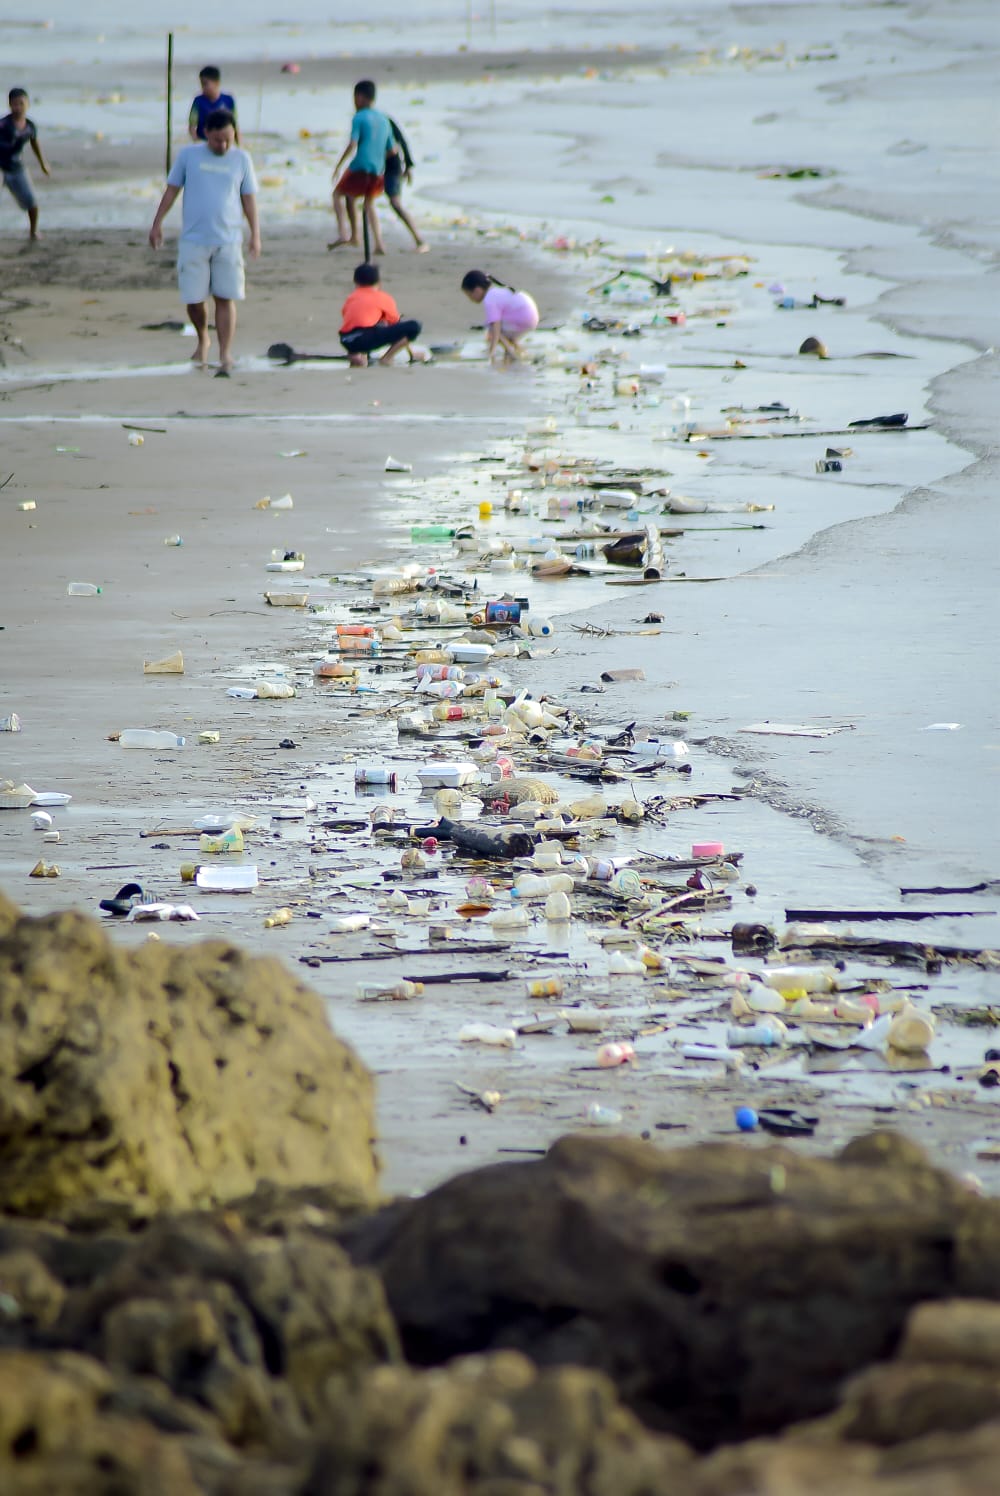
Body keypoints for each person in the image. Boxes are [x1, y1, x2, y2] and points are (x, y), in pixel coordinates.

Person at [148, 108, 260, 376]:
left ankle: (225, 352)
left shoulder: (241, 159)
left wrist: (255, 233)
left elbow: (248, 198)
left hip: (228, 238)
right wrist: (157, 223)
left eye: (228, 140)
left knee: (225, 296)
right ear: (206, 133)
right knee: (194, 298)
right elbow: (172, 189)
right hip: (194, 238)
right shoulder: (189, 156)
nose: (222, 145)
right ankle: (202, 338)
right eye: (217, 140)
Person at [328, 80, 394, 254]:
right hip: (377, 170)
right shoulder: (384, 119)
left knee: (337, 195)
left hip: (360, 166)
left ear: (360, 97)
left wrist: (338, 166)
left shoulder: (359, 117)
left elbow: (352, 144)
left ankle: (343, 233)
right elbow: (392, 149)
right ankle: (376, 243)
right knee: (367, 203)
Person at [339, 261, 425, 366]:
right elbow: (396, 323)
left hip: (346, 340)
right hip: (364, 338)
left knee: (369, 326)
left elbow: (352, 320)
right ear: (379, 282)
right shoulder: (382, 297)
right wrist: (412, 353)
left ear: (355, 282)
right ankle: (387, 358)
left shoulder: (351, 298)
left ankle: (357, 357)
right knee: (414, 326)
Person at [0, 88, 50, 240]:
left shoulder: (30, 126)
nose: (18, 108)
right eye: (14, 104)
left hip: (16, 167)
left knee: (32, 202)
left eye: (21, 104)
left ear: (27, 104)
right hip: (0, 166)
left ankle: (33, 231)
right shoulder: (3, 125)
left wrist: (43, 163)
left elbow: (34, 143)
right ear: (9, 105)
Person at [461, 270, 539, 362]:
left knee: (491, 330)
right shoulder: (497, 291)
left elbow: (495, 327)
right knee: (504, 332)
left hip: (522, 318)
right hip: (531, 317)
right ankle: (521, 351)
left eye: (470, 295)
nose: (471, 299)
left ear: (477, 290)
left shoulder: (490, 298)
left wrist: (491, 352)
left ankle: (511, 352)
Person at [382, 115, 427, 253]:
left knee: (395, 203)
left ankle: (419, 239)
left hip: (391, 167)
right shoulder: (368, 119)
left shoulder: (384, 120)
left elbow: (401, 140)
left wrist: (408, 165)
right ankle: (361, 238)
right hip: (375, 166)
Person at [189, 66, 239, 144]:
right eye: (201, 84)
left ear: (217, 83)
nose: (203, 87)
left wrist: (238, 144)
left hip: (224, 144)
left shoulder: (229, 100)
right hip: (204, 143)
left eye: (205, 84)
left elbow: (235, 125)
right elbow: (192, 125)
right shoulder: (198, 101)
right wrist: (197, 142)